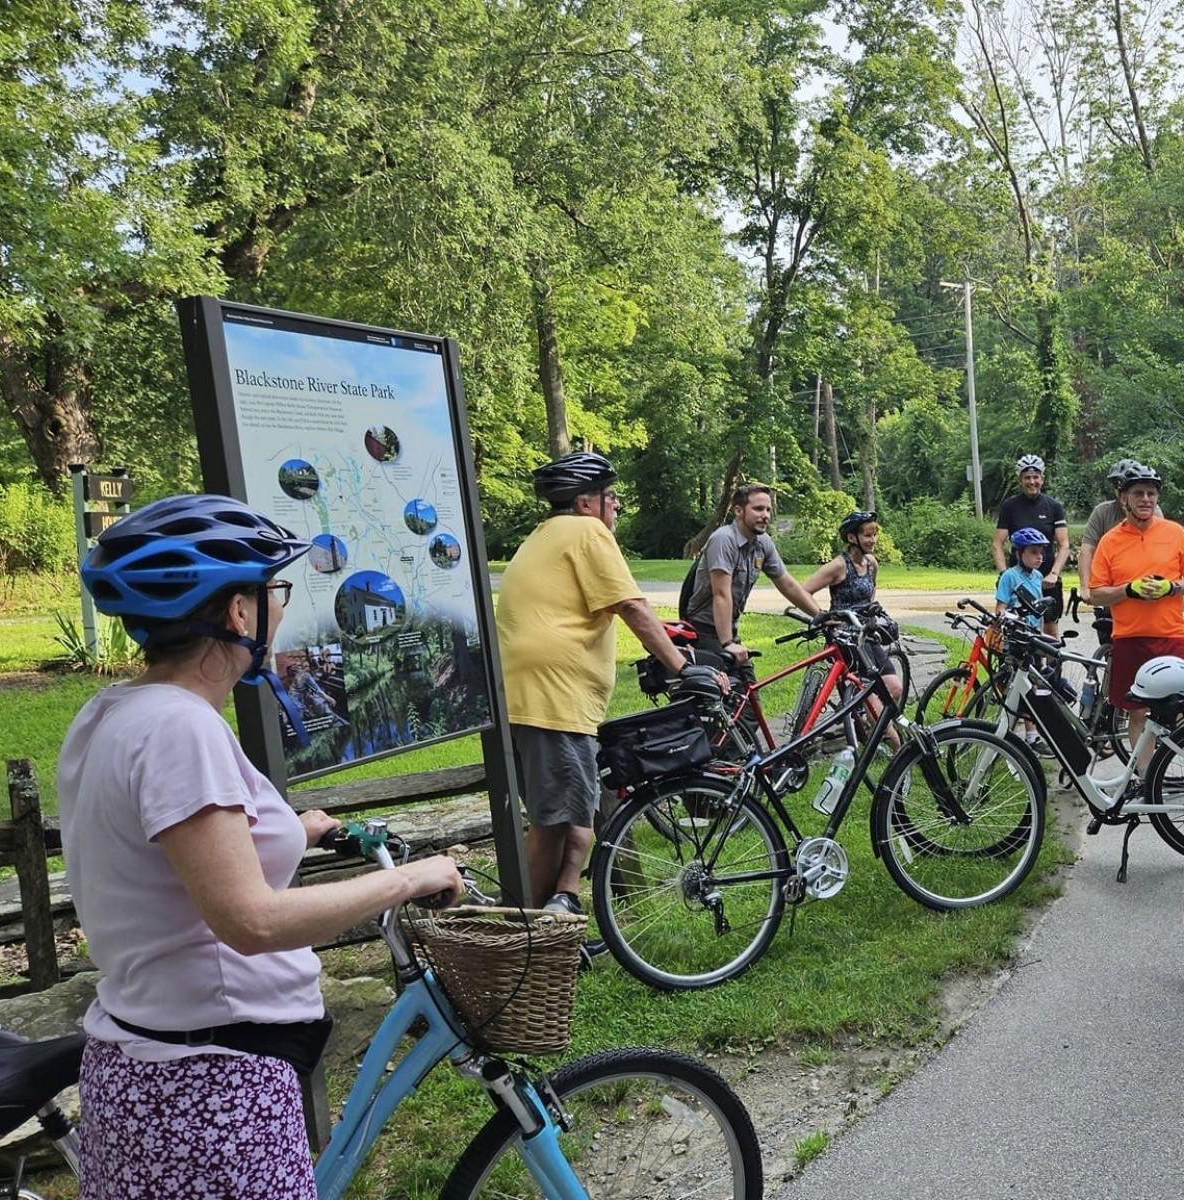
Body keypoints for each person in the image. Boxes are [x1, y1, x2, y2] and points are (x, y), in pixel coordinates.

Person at [62, 494, 467, 1197]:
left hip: (155, 1067)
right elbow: (249, 921)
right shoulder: (180, 731)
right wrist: (411, 878)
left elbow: (166, 851)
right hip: (210, 1095)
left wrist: (294, 830)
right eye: (272, 589)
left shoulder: (115, 712)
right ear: (237, 612)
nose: (279, 606)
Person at [497, 451, 714, 912]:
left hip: (532, 695)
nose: (614, 508)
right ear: (583, 503)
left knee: (577, 809)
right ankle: (525, 934)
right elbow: (632, 605)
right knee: (553, 821)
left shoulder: (545, 535)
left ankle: (563, 904)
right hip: (550, 697)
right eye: (610, 498)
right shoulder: (587, 532)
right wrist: (682, 669)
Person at [1084, 463, 1184, 772]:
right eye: (1138, 493)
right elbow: (1096, 593)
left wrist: (1171, 587)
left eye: (1151, 493)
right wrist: (1128, 590)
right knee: (1137, 713)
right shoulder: (1110, 541)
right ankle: (1145, 778)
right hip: (1129, 637)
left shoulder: (1174, 533)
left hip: (1171, 634)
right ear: (1123, 498)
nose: (1146, 499)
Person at [680, 483, 825, 671]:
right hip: (703, 630)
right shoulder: (724, 539)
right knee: (728, 690)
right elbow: (721, 594)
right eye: (758, 509)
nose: (765, 515)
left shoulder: (762, 542)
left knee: (745, 692)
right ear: (739, 511)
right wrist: (727, 644)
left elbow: (786, 583)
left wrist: (821, 616)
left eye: (768, 509)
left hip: (727, 630)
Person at [803, 509, 905, 707]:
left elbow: (872, 587)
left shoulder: (871, 563)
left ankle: (867, 725)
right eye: (867, 535)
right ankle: (874, 730)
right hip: (846, 639)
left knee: (895, 689)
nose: (873, 539)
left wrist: (869, 609)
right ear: (852, 537)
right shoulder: (839, 566)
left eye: (875, 534)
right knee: (869, 697)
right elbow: (805, 590)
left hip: (866, 634)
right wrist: (823, 616)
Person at [992, 454, 1069, 637]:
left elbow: (1064, 544)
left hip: (1047, 578)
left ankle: (1050, 666)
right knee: (1014, 624)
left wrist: (1054, 574)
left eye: (1036, 477)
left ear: (1042, 478)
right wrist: (1004, 573)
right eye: (1027, 477)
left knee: (1050, 627)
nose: (1032, 481)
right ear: (1020, 480)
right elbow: (997, 543)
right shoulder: (1010, 506)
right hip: (1018, 577)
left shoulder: (1053, 506)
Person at [1077, 458, 1149, 647]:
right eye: (1118, 487)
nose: (1121, 493)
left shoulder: (1151, 511)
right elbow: (1086, 550)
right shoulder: (1103, 512)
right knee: (1109, 647)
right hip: (1109, 589)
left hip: (1140, 590)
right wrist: (1085, 586)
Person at [995, 527, 1051, 628]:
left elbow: (1038, 610)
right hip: (1016, 633)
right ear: (1019, 554)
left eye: (1041, 552)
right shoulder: (1009, 576)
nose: (1039, 557)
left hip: (1034, 633)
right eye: (1034, 552)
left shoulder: (1038, 576)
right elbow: (1000, 609)